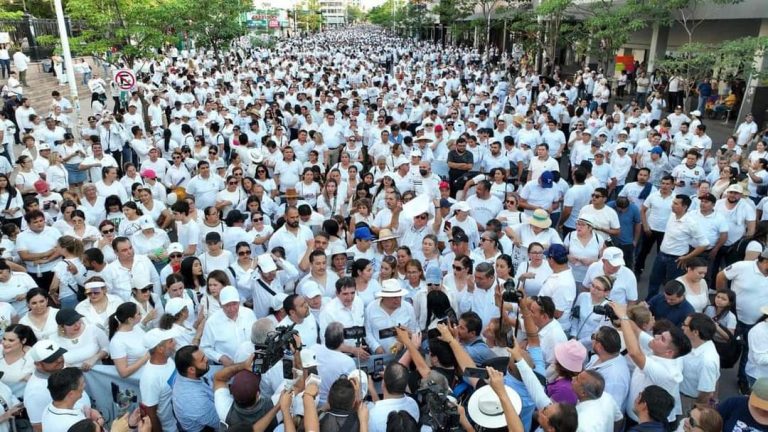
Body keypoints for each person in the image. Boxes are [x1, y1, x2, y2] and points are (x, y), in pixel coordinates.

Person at [610, 301, 692, 425]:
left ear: (669, 352)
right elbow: (637, 331)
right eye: (660, 335)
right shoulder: (660, 349)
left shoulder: (666, 372)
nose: (657, 337)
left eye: (662, 339)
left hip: (643, 421)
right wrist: (623, 314)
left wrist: (624, 317)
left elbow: (634, 353)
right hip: (635, 412)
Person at [139, 328, 180, 432]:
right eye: (171, 341)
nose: (175, 342)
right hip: (170, 428)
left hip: (180, 420)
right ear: (160, 349)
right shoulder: (150, 378)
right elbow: (150, 414)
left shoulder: (168, 360)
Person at [171, 345, 219, 432]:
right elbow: (221, 422)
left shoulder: (183, 372)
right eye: (202, 360)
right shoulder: (195, 401)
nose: (206, 359)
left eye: (204, 356)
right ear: (191, 370)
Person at [680, 313, 720, 411]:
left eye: (685, 325)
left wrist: (696, 408)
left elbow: (706, 392)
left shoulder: (707, 360)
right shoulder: (692, 344)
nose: (682, 327)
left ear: (696, 332)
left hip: (689, 400)